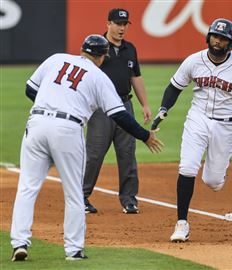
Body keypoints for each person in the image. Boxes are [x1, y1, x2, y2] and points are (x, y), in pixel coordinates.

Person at [10, 34, 163, 262]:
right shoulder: (98, 76)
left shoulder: (56, 59)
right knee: (74, 193)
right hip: (67, 129)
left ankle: (19, 243)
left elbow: (30, 89)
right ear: (102, 57)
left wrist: (53, 103)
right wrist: (144, 136)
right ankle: (73, 250)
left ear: (82, 50)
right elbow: (119, 114)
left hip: (37, 124)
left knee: (27, 188)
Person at [151, 18, 232, 242]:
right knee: (187, 167)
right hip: (198, 118)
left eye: (223, 39)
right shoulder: (194, 61)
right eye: (215, 36)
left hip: (227, 124)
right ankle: (181, 223)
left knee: (213, 181)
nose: (218, 41)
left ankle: (215, 176)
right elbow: (174, 86)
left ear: (231, 43)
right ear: (208, 37)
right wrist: (164, 108)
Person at [83, 8, 152, 214]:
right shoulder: (97, 47)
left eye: (124, 24)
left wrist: (145, 104)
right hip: (100, 109)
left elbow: (135, 77)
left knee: (127, 154)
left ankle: (129, 199)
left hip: (124, 105)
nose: (121, 28)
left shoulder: (130, 49)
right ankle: (81, 196)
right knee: (94, 154)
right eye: (117, 23)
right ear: (108, 24)